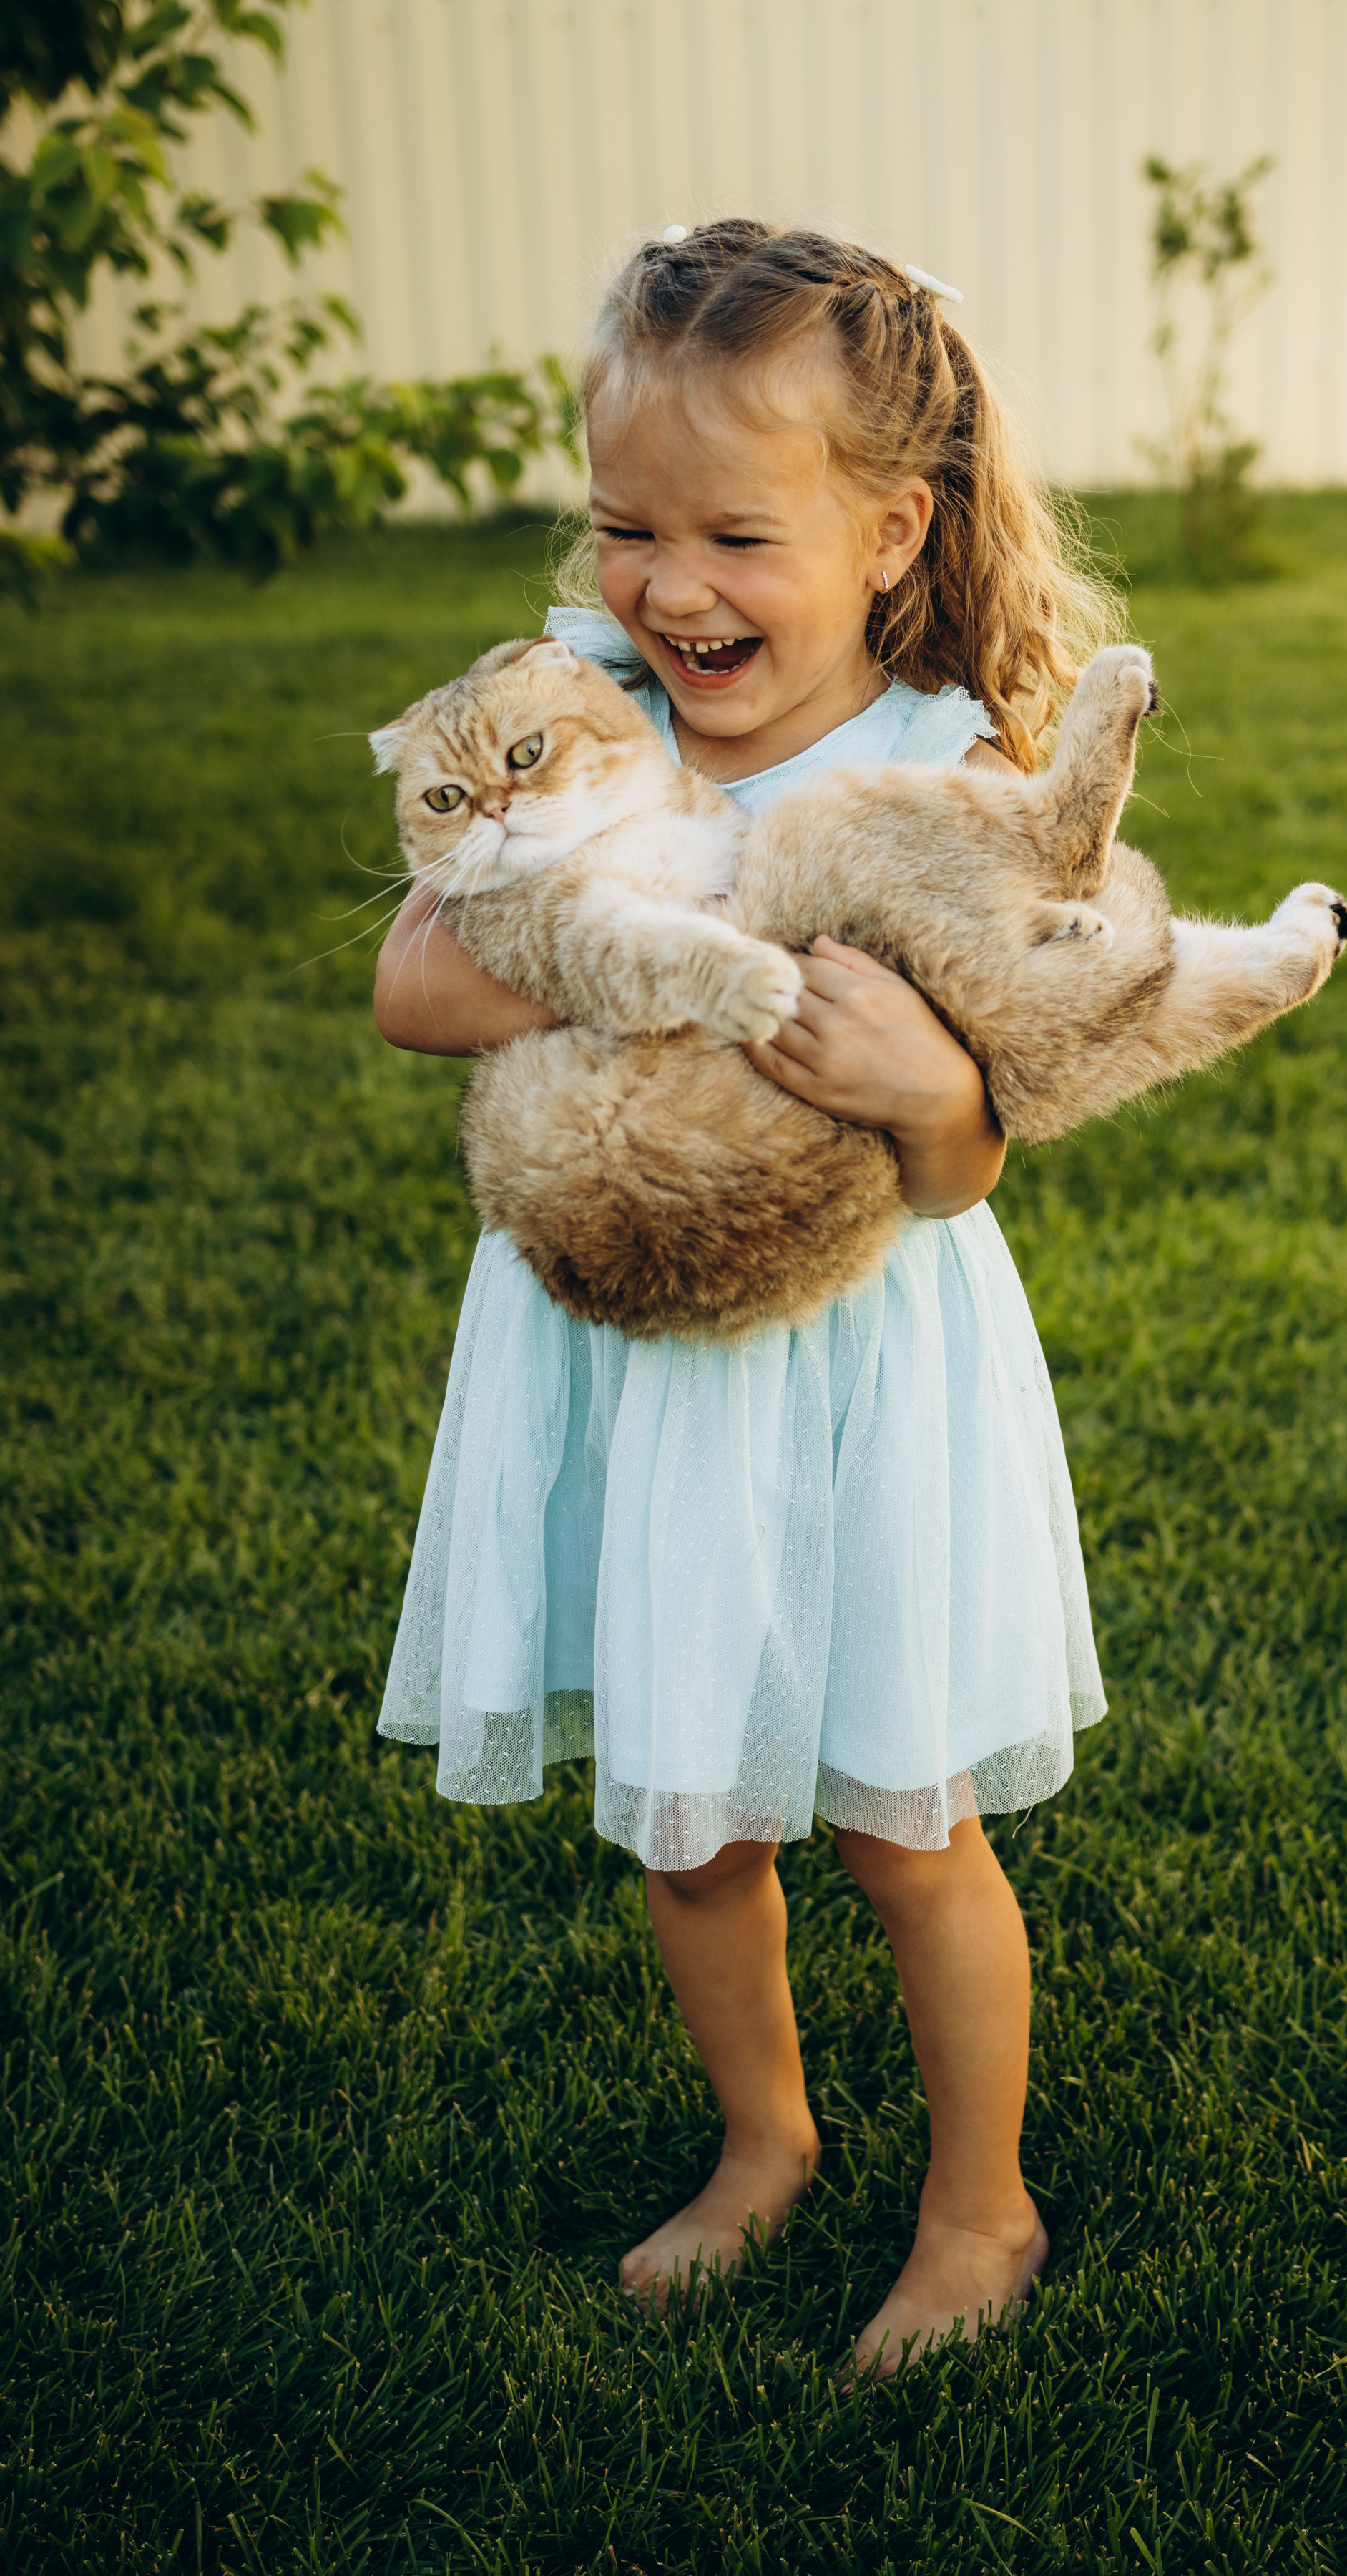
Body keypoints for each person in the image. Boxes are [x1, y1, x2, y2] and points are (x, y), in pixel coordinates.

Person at [373, 219, 1118, 2379]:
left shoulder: (946, 769)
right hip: (620, 1345)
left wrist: (926, 1079)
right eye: (624, 525)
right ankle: (765, 2142)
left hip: (851, 1362)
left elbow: (972, 1156)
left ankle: (981, 2207)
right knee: (688, 1817)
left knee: (905, 1822)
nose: (668, 587)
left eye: (733, 534)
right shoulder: (571, 716)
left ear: (893, 531)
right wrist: (640, 916)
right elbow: (422, 981)